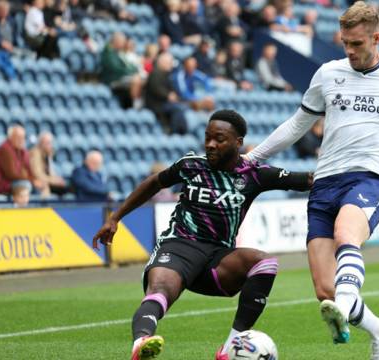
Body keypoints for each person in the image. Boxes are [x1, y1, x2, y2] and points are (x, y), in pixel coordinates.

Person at [245, 2, 379, 359]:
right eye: (345, 42)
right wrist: (252, 158)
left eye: (357, 43)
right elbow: (297, 124)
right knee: (324, 289)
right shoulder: (328, 73)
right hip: (325, 182)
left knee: (347, 235)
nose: (349, 50)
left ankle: (344, 310)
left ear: (376, 38)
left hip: (368, 179)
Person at [91, 110, 313, 360]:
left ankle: (229, 348)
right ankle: (142, 342)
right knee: (160, 290)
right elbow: (154, 182)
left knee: (265, 262)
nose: (210, 144)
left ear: (238, 142)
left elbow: (306, 180)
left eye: (219, 138)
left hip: (217, 259)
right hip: (178, 247)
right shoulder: (191, 165)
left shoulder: (255, 175)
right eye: (207, 137)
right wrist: (115, 217)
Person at [0, 125, 42, 195]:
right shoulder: (5, 149)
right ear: (10, 137)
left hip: (15, 181)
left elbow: (29, 169)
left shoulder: (22, 151)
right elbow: (11, 175)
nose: (21, 140)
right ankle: (20, 205)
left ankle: (39, 205)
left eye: (23, 137)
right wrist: (32, 180)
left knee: (40, 185)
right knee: (26, 185)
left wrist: (36, 179)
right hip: (3, 184)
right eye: (18, 137)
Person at [29, 132, 68, 197]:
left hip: (48, 181)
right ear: (41, 143)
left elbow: (51, 172)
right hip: (39, 182)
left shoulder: (48, 154)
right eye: (47, 143)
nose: (50, 145)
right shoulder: (35, 153)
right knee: (64, 189)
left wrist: (57, 180)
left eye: (51, 143)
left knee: (68, 186)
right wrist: (54, 181)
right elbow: (38, 174)